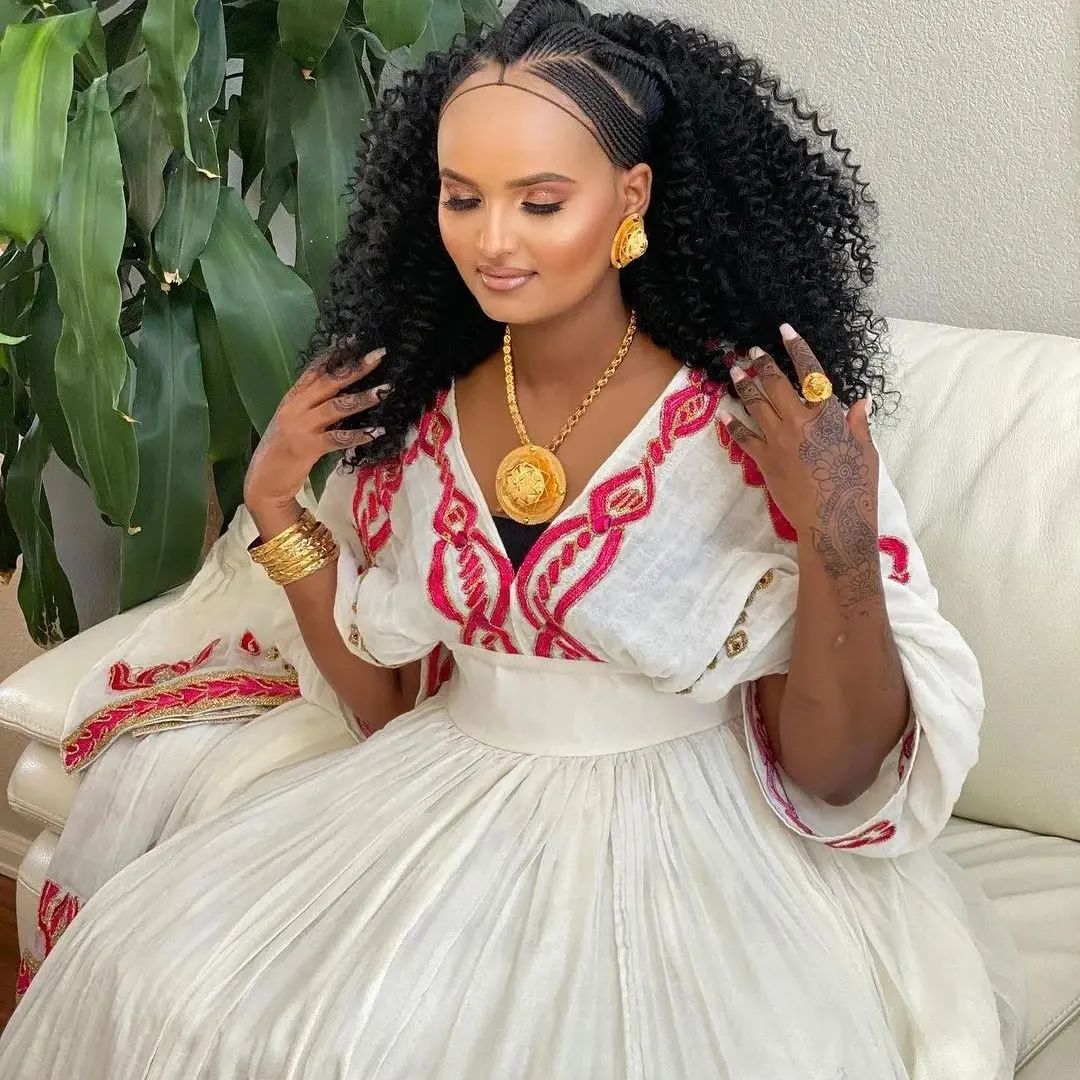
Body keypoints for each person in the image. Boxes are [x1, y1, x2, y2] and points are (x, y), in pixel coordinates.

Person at [0, 0, 1025, 1075]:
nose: (492, 241)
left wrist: (838, 536)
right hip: (438, 791)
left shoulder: (752, 419)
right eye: (462, 197)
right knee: (157, 975)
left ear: (632, 197)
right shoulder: (416, 417)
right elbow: (386, 707)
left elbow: (836, 770)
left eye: (540, 201)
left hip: (690, 839)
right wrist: (276, 505)